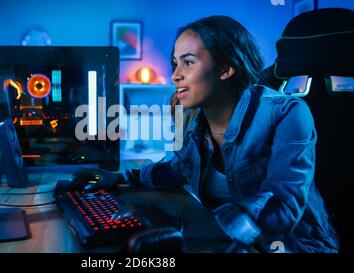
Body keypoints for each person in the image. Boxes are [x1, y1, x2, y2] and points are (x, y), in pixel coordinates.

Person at [74, 16, 339, 253]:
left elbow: (282, 205)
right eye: (174, 63)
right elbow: (179, 168)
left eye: (188, 62)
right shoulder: (197, 121)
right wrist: (120, 177)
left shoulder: (287, 112)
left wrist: (179, 226)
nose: (175, 75)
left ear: (226, 69)